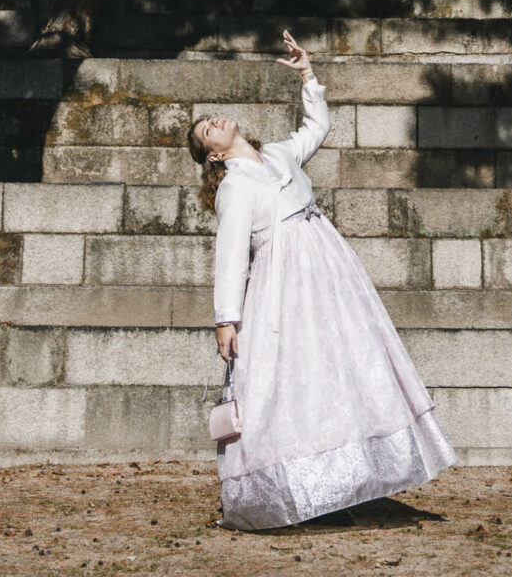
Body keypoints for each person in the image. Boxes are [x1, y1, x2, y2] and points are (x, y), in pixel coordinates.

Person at [187, 31, 456, 530]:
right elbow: (230, 256)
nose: (214, 122)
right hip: (285, 285)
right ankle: (295, 487)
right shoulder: (235, 187)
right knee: (297, 373)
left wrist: (308, 75)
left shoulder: (278, 155)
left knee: (343, 364)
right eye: (206, 131)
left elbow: (317, 125)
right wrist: (226, 319)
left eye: (212, 118)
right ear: (213, 156)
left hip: (329, 272)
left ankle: (347, 478)